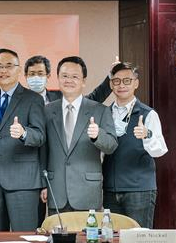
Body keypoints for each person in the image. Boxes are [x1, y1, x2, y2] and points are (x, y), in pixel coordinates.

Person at [41, 57, 117, 213]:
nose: (69, 80)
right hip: (56, 191)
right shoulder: (47, 111)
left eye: (75, 76)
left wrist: (98, 136)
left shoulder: (100, 110)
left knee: (88, 231)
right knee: (58, 230)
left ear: (83, 81)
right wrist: (43, 183)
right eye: (65, 76)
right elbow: (43, 150)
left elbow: (111, 145)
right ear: (58, 78)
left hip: (87, 192)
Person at [0, 48, 46, 231]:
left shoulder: (33, 99)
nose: (4, 70)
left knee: (25, 237)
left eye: (9, 66)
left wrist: (24, 133)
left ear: (18, 69)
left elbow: (40, 136)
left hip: (23, 182)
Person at [103, 62, 168, 228]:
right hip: (110, 189)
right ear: (111, 84)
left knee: (139, 238)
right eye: (116, 81)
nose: (121, 85)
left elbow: (160, 150)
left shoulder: (148, 114)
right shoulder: (104, 113)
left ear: (136, 83)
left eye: (127, 80)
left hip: (139, 190)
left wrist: (147, 135)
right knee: (112, 238)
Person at [24, 55, 113, 105]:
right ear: (26, 76)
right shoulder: (18, 101)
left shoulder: (61, 96)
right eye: (32, 74)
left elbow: (92, 99)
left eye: (40, 73)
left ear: (48, 76)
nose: (36, 77)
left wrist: (111, 77)